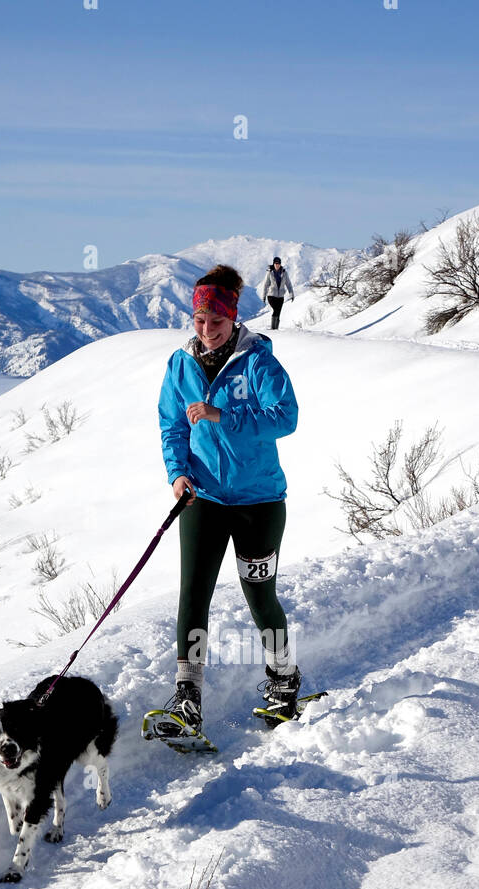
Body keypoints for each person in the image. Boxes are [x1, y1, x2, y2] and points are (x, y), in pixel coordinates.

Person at [156, 263, 301, 735]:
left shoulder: (258, 361)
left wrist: (224, 417)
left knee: (259, 595)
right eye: (199, 321)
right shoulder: (181, 363)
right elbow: (172, 425)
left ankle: (283, 677)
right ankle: (187, 696)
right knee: (193, 595)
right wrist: (178, 474)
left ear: (233, 318)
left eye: (216, 322)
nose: (207, 331)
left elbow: (286, 417)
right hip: (204, 498)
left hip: (259, 500)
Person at [261, 255, 295, 329]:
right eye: (276, 264)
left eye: (278, 264)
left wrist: (291, 294)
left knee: (278, 313)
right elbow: (266, 285)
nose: (277, 265)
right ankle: (273, 328)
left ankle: (276, 329)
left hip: (280, 297)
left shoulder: (284, 273)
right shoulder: (270, 273)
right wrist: (263, 296)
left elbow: (288, 284)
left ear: (280, 264)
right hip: (271, 296)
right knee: (276, 310)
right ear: (273, 264)